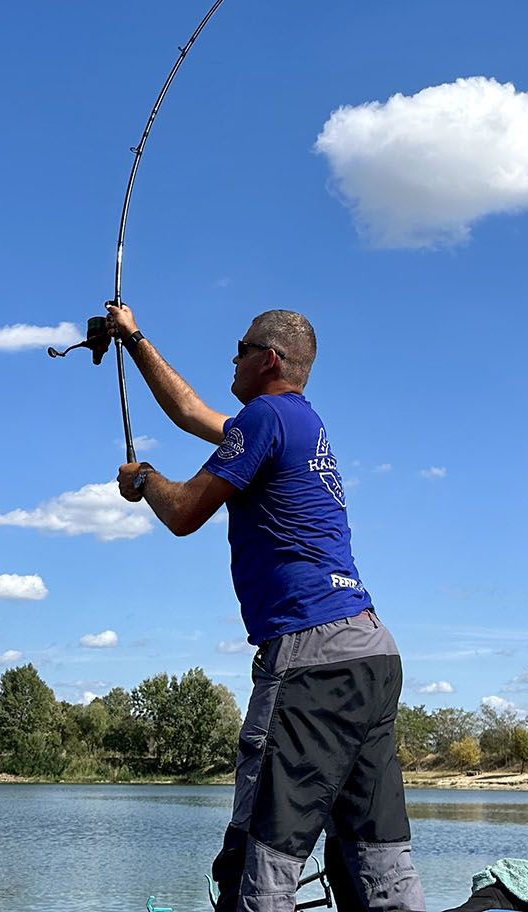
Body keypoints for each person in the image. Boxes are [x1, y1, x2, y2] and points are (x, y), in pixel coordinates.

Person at [109, 301, 425, 912]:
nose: (234, 357)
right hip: (372, 655)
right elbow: (190, 412)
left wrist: (145, 480)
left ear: (270, 359)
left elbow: (183, 514)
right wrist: (136, 338)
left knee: (264, 854)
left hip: (311, 655)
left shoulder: (264, 417)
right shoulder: (298, 423)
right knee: (376, 848)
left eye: (242, 348)